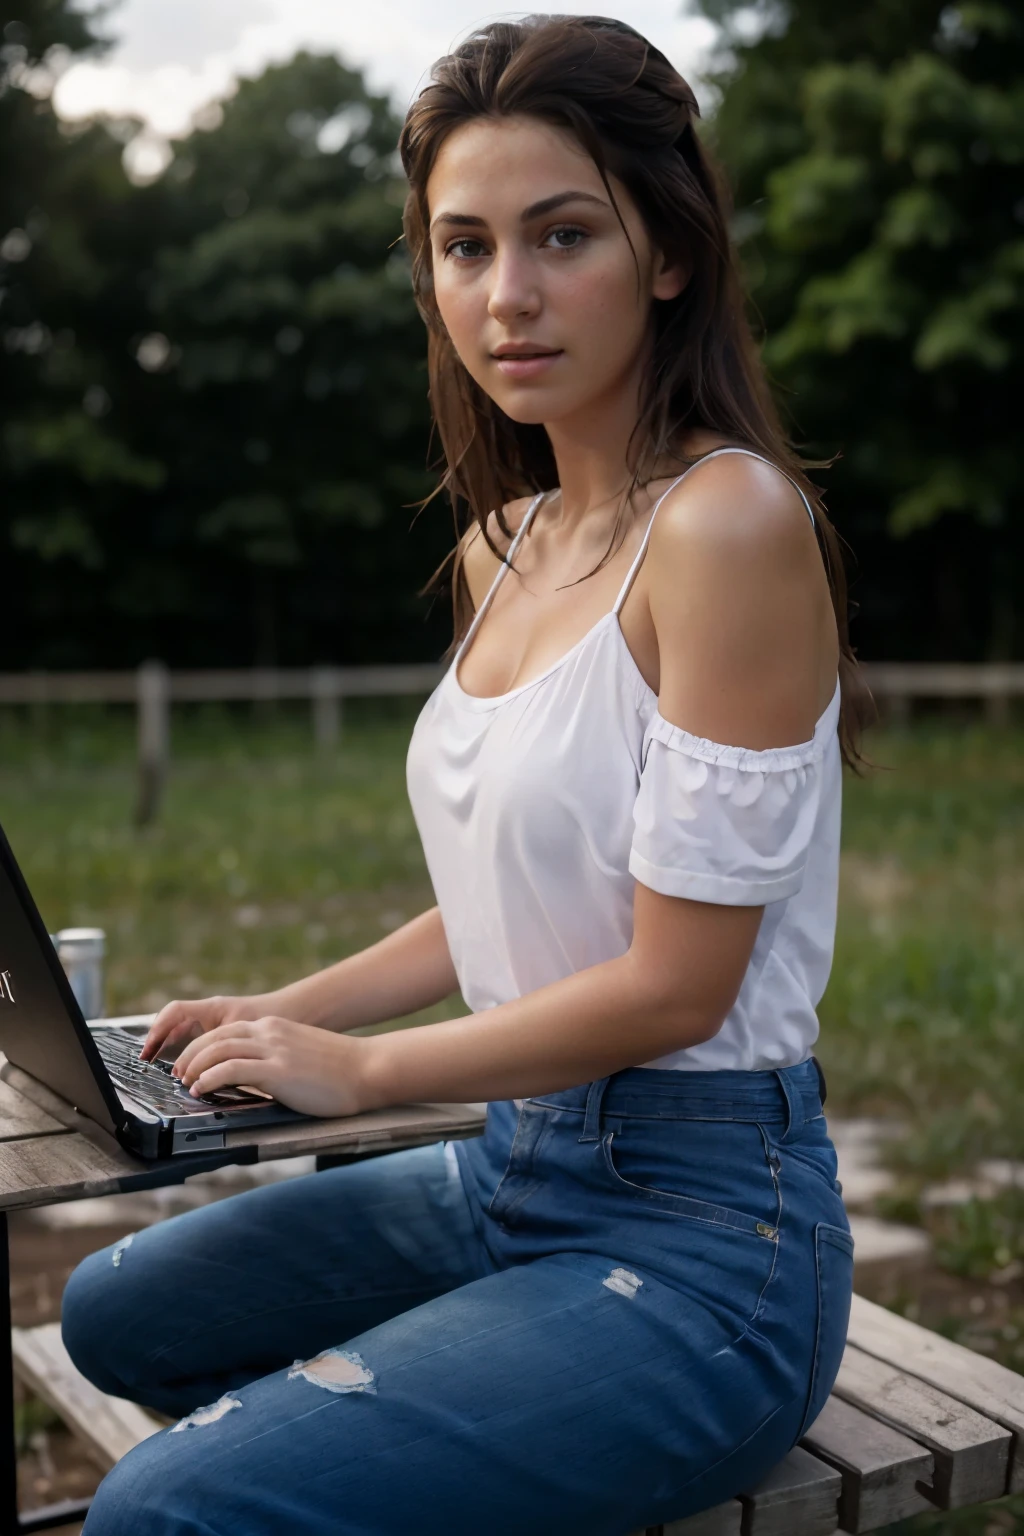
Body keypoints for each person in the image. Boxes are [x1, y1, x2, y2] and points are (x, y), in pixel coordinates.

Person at [62, 15, 875, 1534]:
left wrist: (360, 1076)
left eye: (563, 236)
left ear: (670, 253)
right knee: (117, 1314)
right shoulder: (499, 551)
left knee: (159, 1515)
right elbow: (514, 904)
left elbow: (673, 986)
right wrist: (288, 1009)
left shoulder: (730, 526)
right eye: (462, 246)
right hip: (506, 1166)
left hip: (708, 1229)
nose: (507, 297)